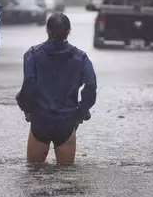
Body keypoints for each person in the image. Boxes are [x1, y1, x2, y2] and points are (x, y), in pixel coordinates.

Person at [16, 13, 97, 165]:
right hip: (66, 122)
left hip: (40, 120)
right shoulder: (81, 58)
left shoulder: (32, 55)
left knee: (33, 178)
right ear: (69, 31)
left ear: (47, 30)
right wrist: (80, 112)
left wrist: (27, 108)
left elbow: (28, 85)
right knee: (65, 182)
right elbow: (91, 86)